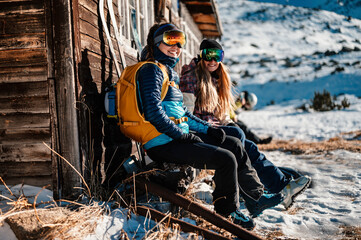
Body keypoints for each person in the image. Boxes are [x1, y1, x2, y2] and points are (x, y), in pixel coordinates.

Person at [134, 23, 266, 230]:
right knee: (226, 158)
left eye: (180, 42)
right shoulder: (151, 70)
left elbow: (183, 113)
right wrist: (183, 136)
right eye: (170, 40)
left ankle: (254, 198)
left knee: (231, 142)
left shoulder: (167, 71)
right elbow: (153, 113)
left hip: (174, 136)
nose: (176, 47)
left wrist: (208, 130)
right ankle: (227, 211)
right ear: (157, 42)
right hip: (161, 142)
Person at [180, 39, 311, 214]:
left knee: (249, 146)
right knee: (238, 142)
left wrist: (230, 124)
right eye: (207, 55)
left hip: (215, 130)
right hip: (199, 132)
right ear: (201, 55)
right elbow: (186, 116)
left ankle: (280, 188)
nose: (212, 60)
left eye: (217, 56)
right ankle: (263, 193)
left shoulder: (217, 78)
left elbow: (221, 114)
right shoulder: (191, 77)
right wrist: (217, 129)